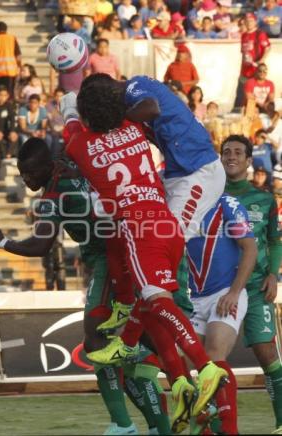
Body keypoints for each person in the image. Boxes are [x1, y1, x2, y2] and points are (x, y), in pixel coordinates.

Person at [59, 74, 228, 430]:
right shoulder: (134, 131)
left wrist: (69, 103)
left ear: (89, 117)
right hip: (163, 220)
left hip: (143, 228)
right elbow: (123, 116)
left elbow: (73, 132)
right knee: (149, 298)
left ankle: (205, 367)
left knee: (156, 299)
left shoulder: (81, 146)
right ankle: (180, 383)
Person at [0, 137, 170, 436]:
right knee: (112, 349)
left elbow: (41, 245)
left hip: (110, 259)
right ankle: (159, 426)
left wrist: (2, 242)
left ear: (47, 166)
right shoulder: (69, 168)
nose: (25, 178)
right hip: (128, 250)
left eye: (30, 172)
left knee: (97, 342)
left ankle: (123, 424)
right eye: (21, 173)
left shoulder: (56, 192)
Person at [221, 134, 282, 435]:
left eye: (237, 152)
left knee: (267, 355)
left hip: (257, 287)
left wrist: (274, 274)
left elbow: (274, 240)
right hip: (218, 290)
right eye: (226, 152)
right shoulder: (210, 196)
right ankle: (214, 424)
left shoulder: (265, 199)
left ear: (248, 161)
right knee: (210, 356)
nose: (231, 156)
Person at [187, 193, 257, 434]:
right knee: (176, 359)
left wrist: (234, 292)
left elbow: (250, 248)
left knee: (214, 351)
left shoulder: (227, 203)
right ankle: (206, 426)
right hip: (193, 299)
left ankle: (230, 429)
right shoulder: (178, 202)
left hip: (226, 292)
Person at [234, 13, 270, 109]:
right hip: (244, 71)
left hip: (255, 72)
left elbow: (267, 48)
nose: (248, 23)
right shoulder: (244, 35)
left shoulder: (260, 34)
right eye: (247, 21)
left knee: (253, 97)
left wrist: (261, 61)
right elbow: (243, 54)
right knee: (240, 96)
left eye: (251, 21)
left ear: (255, 22)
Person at [0, 21, 21, 96]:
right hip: (10, 72)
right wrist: (19, 67)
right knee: (9, 93)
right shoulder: (12, 39)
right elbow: (18, 57)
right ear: (6, 29)